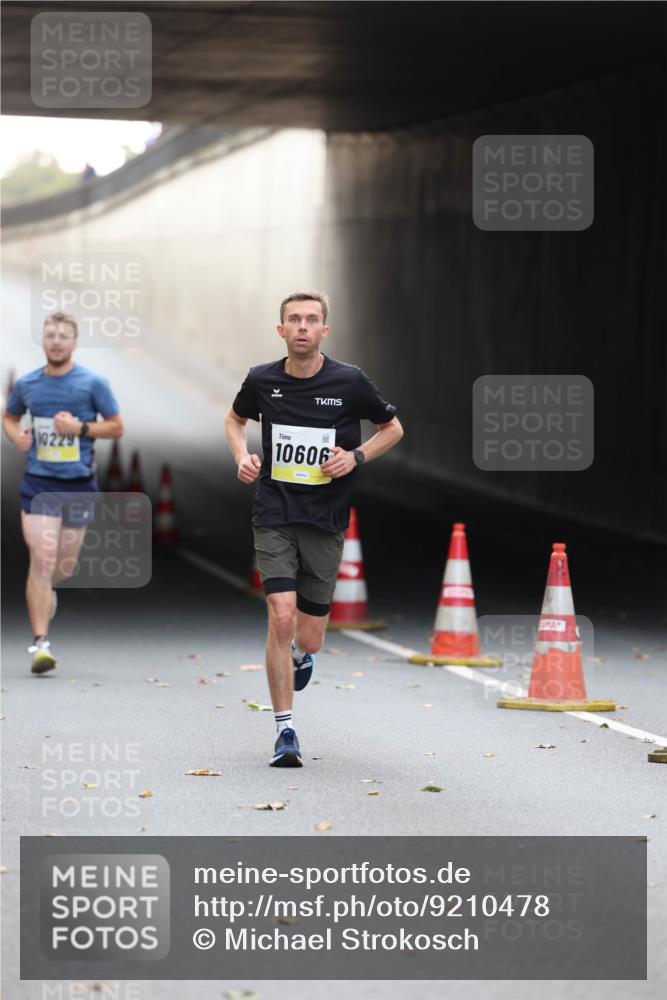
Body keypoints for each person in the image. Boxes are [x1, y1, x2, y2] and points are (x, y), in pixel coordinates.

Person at [224, 291, 404, 767]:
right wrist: (242, 456)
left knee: (310, 637)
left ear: (325, 330)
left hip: (325, 518)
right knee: (280, 616)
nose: (302, 326)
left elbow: (392, 429)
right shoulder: (262, 379)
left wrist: (356, 456)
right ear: (280, 330)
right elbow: (234, 419)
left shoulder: (350, 381)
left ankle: (303, 657)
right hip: (274, 511)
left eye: (312, 319)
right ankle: (285, 731)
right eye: (293, 320)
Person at [3, 312, 123, 674]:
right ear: (43, 341)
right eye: (50, 335)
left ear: (74, 342)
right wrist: (16, 436)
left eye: (63, 336)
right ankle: (41, 643)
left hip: (78, 485)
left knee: (64, 566)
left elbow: (117, 427)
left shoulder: (92, 383)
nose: (56, 341)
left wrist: (80, 427)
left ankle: (46, 594)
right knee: (42, 557)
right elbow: (10, 417)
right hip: (39, 483)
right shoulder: (27, 384)